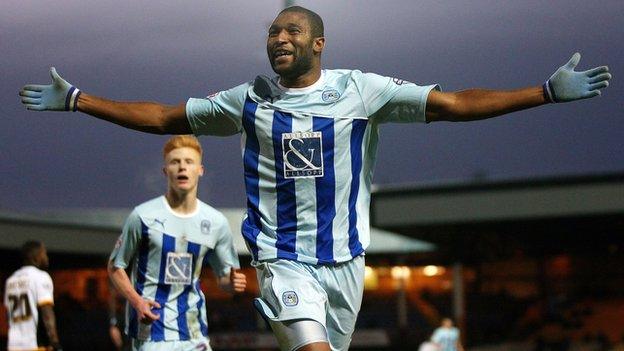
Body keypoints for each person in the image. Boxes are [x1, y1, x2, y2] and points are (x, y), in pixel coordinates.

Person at [19, 5, 611, 351]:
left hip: (347, 264)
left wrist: (543, 93)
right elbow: (164, 116)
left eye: (292, 32)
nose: (279, 39)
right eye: (273, 33)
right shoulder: (246, 100)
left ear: (318, 43)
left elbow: (454, 103)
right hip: (280, 260)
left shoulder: (362, 90)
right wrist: (79, 100)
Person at [106, 135, 247, 351]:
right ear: (166, 171)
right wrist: (137, 302)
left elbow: (224, 280)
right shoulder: (143, 216)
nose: (182, 167)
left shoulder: (216, 222)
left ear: (200, 170)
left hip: (194, 332)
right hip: (151, 333)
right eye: (175, 162)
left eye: (189, 162)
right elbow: (115, 267)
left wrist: (233, 284)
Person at [4, 241, 63, 351]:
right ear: (37, 256)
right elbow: (47, 314)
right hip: (33, 344)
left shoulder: (11, 280)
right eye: (44, 253)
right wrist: (54, 342)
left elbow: (7, 316)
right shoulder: (40, 277)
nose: (46, 257)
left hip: (13, 344)